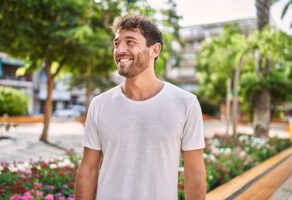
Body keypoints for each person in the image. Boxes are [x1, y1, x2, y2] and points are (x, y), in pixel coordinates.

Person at [75, 14, 206, 200]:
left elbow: (194, 173)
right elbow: (88, 170)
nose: (120, 50)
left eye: (130, 42)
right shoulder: (99, 104)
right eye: (117, 44)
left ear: (155, 50)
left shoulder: (185, 103)